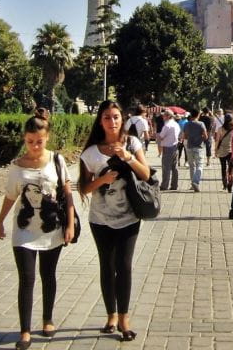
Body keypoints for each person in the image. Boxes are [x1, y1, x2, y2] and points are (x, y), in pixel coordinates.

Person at [0, 109, 75, 350]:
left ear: (47, 137)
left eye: (39, 141)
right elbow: (11, 196)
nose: (35, 146)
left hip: (52, 229)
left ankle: (48, 318)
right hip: (24, 230)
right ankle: (25, 331)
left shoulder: (57, 160)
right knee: (26, 279)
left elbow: (68, 194)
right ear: (24, 139)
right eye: (30, 141)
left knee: (48, 275)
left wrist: (70, 224)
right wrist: (0, 221)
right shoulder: (17, 166)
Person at [78, 100, 150, 342]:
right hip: (100, 219)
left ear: (123, 119)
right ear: (101, 121)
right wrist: (103, 179)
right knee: (107, 267)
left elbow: (146, 174)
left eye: (116, 117)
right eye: (107, 117)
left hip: (130, 216)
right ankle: (110, 315)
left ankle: (124, 318)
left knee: (125, 266)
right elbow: (84, 187)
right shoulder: (90, 153)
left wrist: (128, 157)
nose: (112, 122)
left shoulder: (132, 142)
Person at [181, 108, 208, 192]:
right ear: (198, 115)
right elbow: (206, 136)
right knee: (199, 165)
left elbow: (185, 136)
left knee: (192, 166)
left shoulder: (187, 124)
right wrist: (200, 137)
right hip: (199, 147)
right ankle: (195, 182)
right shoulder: (201, 124)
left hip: (189, 146)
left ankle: (193, 184)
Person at [156, 109, 180, 191]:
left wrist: (157, 137)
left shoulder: (166, 126)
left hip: (167, 147)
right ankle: (174, 185)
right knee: (174, 167)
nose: (163, 117)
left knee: (166, 167)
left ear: (168, 116)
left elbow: (161, 136)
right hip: (175, 146)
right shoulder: (176, 124)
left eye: (164, 115)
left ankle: (164, 185)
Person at [214, 113, 233, 192]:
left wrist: (215, 150)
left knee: (223, 168)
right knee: (231, 169)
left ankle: (225, 184)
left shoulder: (220, 129)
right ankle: (230, 186)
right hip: (231, 151)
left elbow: (217, 140)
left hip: (222, 151)